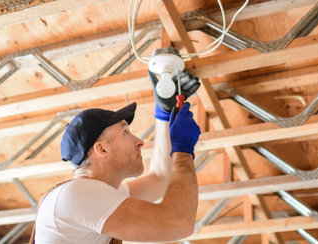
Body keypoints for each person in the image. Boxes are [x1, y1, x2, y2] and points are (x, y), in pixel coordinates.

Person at [34, 71, 201, 243]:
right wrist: (183, 149)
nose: (140, 142)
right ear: (102, 149)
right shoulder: (80, 194)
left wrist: (165, 113)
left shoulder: (95, 194)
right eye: (125, 132)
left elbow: (160, 178)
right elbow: (178, 223)